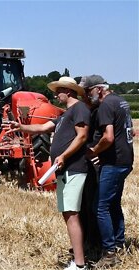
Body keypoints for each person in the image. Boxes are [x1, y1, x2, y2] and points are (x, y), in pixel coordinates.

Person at [9, 76, 90, 270]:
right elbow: (43, 127)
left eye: (58, 91)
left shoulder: (79, 109)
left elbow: (82, 136)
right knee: (68, 213)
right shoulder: (65, 115)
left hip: (73, 168)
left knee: (71, 214)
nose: (55, 94)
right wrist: (21, 127)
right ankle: (78, 256)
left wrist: (63, 155)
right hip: (65, 170)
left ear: (68, 91)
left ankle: (80, 265)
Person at [80, 75, 134, 268]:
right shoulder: (120, 101)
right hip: (126, 160)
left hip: (114, 162)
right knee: (113, 204)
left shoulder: (104, 106)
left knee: (100, 207)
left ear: (98, 89)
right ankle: (119, 243)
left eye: (88, 91)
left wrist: (94, 151)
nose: (86, 96)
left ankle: (109, 253)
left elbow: (108, 137)